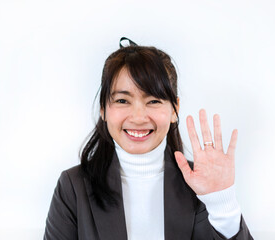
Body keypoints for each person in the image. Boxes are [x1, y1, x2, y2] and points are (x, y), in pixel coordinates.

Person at [44, 37, 254, 240]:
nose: (138, 117)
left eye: (153, 101)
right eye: (122, 100)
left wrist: (222, 203)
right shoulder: (73, 187)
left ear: (174, 110)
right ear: (103, 109)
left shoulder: (200, 182)